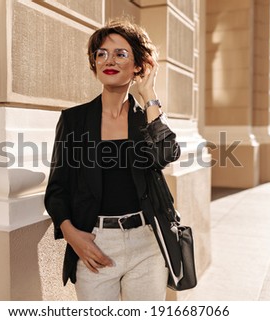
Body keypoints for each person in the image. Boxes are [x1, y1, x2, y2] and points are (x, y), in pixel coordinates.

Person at [44, 18, 180, 301]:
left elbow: (166, 155)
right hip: (95, 243)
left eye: (121, 54)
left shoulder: (146, 118)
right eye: (102, 53)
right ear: (94, 63)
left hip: (147, 243)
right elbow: (57, 189)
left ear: (139, 66)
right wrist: (72, 235)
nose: (110, 60)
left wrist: (150, 94)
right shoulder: (74, 120)